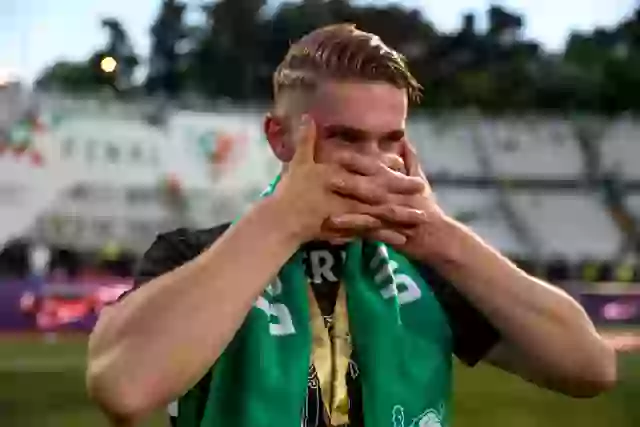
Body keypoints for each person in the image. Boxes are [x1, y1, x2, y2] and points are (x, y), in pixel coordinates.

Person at [86, 24, 617, 427]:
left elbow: (589, 367)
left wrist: (441, 237)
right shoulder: (196, 255)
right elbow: (124, 388)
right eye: (345, 138)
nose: (373, 163)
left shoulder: (428, 269)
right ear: (280, 138)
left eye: (390, 141)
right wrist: (281, 221)